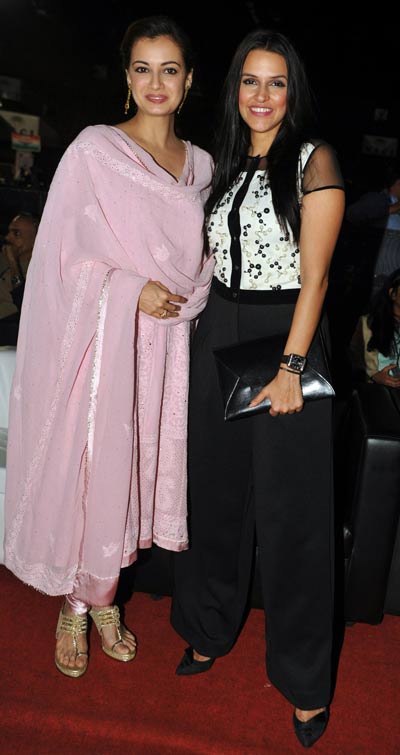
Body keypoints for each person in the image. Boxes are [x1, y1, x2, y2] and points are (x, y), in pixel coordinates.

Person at [3, 15, 214, 679]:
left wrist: (183, 292)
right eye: (143, 69)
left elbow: (199, 257)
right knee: (98, 470)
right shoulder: (95, 151)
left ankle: (102, 596)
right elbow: (61, 256)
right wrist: (129, 289)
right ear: (126, 77)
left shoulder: (202, 166)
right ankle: (78, 603)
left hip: (165, 347)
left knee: (134, 474)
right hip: (102, 342)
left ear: (188, 81)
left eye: (170, 70)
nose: (156, 83)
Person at [170, 28, 345, 748]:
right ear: (235, 88)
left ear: (292, 91)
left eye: (276, 82)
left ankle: (305, 682)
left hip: (286, 338)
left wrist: (292, 368)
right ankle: (208, 626)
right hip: (219, 331)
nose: (262, 95)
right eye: (251, 80)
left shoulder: (314, 159)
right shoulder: (222, 163)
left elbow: (318, 278)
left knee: (292, 517)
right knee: (213, 498)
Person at [345, 161, 400, 302]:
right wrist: (391, 209)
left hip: (396, 277)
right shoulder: (378, 199)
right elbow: (352, 214)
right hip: (377, 276)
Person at [349, 267, 400, 387]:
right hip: (379, 391)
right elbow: (353, 358)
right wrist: (373, 375)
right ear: (392, 294)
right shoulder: (368, 323)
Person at [0, 212, 38, 346]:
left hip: (9, 329)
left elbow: (26, 305)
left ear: (36, 238)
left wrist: (13, 264)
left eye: (16, 234)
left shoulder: (40, 269)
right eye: (9, 232)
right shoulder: (3, 257)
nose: (8, 238)